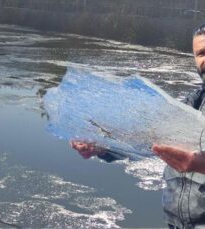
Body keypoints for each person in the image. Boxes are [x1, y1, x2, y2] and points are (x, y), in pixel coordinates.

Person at [71, 24, 205, 229]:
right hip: (177, 223)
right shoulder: (195, 101)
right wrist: (103, 147)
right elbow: (149, 138)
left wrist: (200, 165)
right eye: (201, 53)